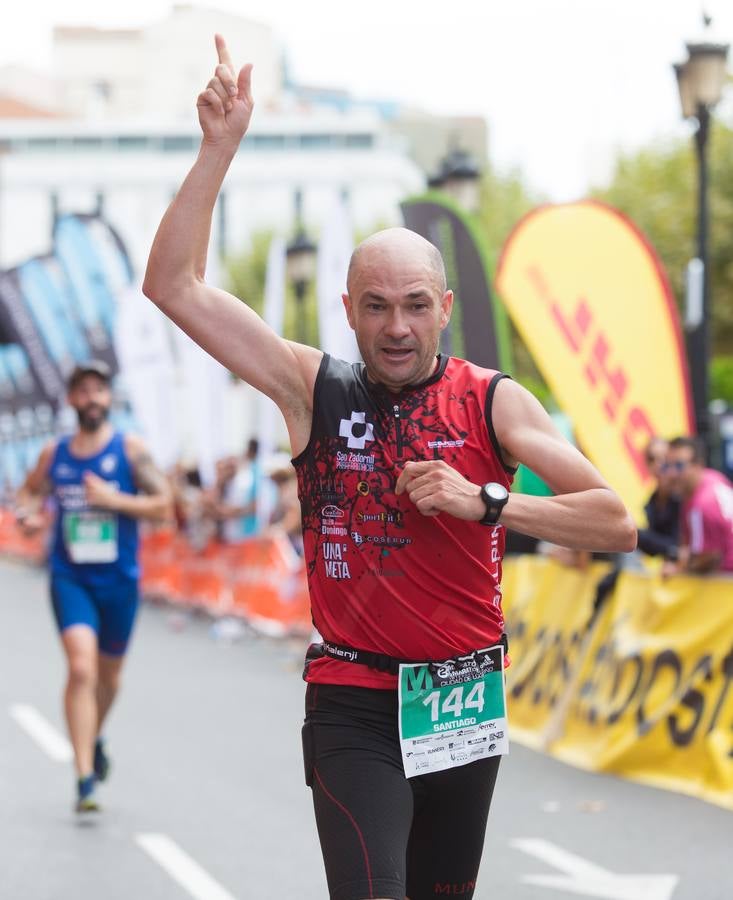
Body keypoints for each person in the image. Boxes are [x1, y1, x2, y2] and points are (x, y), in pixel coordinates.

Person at [142, 35, 636, 900]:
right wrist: (218, 149)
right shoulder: (311, 389)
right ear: (349, 310)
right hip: (353, 699)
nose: (397, 326)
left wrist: (486, 502)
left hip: (461, 700)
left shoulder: (493, 402)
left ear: (443, 308)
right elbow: (174, 287)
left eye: (414, 305)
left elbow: (614, 519)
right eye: (376, 307)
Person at [15, 361, 171, 812]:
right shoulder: (55, 453)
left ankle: (94, 735)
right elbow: (28, 492)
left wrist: (112, 500)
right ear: (71, 401)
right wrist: (27, 514)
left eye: (98, 390)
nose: (91, 399)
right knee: (81, 668)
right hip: (70, 577)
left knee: (108, 676)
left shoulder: (130, 451)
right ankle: (84, 775)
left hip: (120, 581)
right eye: (82, 391)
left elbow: (164, 505)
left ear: (108, 398)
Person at [663, 436, 733, 575]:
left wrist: (678, 570)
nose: (672, 473)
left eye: (679, 466)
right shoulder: (713, 477)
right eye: (667, 466)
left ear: (698, 465)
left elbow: (709, 557)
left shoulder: (701, 506)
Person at [637, 436, 681, 562]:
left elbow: (680, 546)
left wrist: (639, 535)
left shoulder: (684, 495)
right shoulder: (652, 501)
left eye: (664, 457)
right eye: (652, 459)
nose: (658, 464)